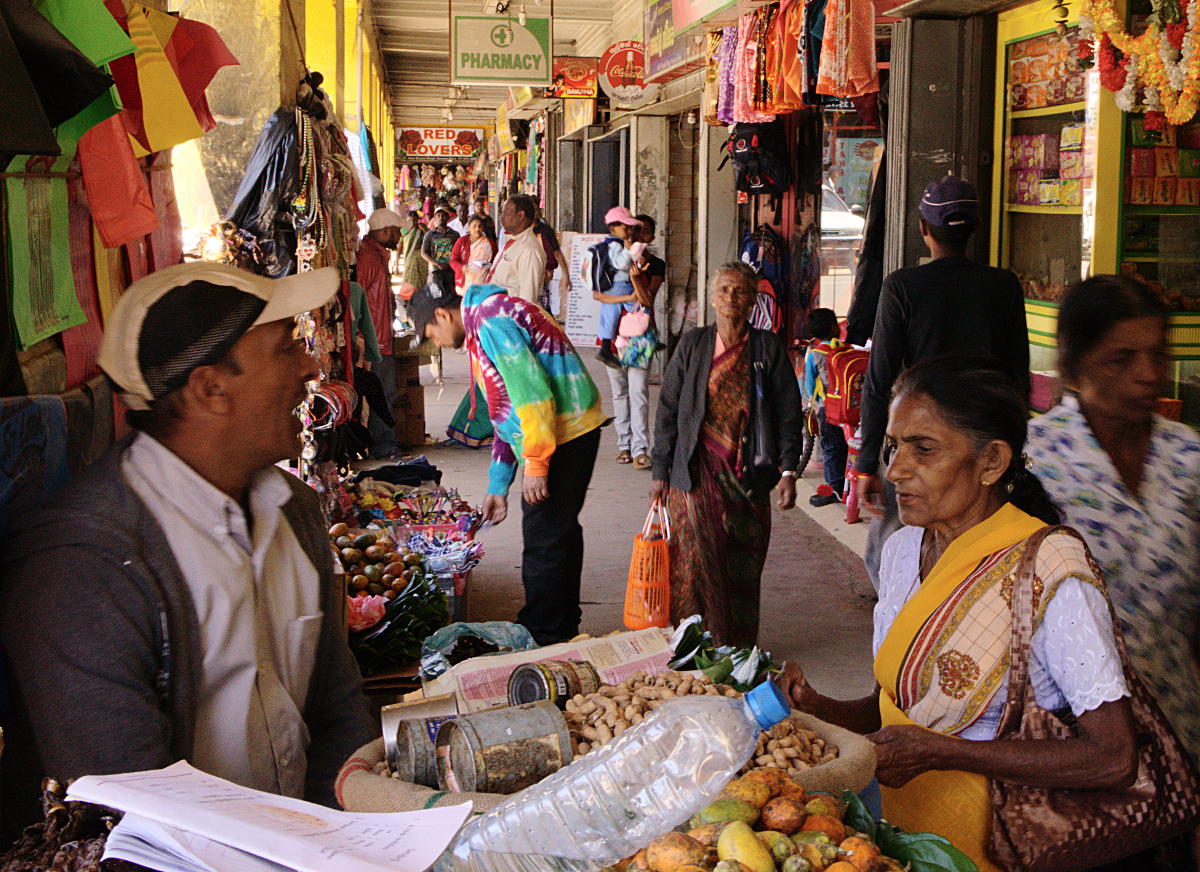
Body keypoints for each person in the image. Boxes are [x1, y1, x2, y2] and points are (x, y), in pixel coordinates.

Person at [1, 262, 373, 807]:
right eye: (285, 348)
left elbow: (337, 707)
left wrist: (341, 835)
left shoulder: (291, 509)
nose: (310, 365)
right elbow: (133, 816)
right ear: (211, 389)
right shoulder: (83, 568)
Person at [776, 355, 1139, 872]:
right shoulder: (904, 551)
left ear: (991, 462)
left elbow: (1113, 757)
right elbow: (897, 710)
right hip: (903, 841)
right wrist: (818, 705)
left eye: (924, 448)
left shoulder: (1050, 569)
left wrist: (944, 753)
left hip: (1002, 848)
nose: (896, 469)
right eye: (894, 446)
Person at [1027, 277, 1200, 763]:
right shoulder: (1033, 461)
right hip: (1072, 744)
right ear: (1074, 365)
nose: (1148, 375)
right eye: (1121, 359)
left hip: (1181, 727)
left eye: (1157, 355)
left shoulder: (1187, 458)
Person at [857, 174, 1029, 590]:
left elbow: (880, 382)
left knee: (897, 552)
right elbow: (1017, 379)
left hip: (922, 446)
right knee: (981, 549)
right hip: (979, 446)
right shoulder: (1003, 286)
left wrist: (867, 463)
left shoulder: (902, 287)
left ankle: (916, 630)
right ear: (974, 229)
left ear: (922, 229)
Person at [409, 285, 606, 646]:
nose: (435, 343)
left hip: (565, 431)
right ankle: (561, 626)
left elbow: (533, 398)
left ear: (442, 315)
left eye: (430, 335)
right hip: (560, 430)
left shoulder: (491, 320)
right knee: (556, 530)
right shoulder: (482, 322)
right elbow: (505, 413)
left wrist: (536, 464)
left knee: (543, 537)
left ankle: (545, 633)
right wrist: (498, 485)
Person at [651, 262, 801, 647]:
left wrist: (788, 472)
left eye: (740, 291)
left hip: (747, 480)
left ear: (753, 299)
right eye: (724, 290)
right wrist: (660, 472)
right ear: (712, 297)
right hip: (694, 473)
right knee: (692, 561)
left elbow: (788, 412)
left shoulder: (766, 348)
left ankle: (734, 644)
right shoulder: (694, 344)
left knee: (742, 563)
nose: (731, 298)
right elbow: (668, 408)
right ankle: (690, 642)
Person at [602, 214, 664, 469]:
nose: (636, 235)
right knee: (619, 393)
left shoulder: (655, 264)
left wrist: (637, 278)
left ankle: (641, 449)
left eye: (643, 231)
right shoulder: (614, 256)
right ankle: (624, 445)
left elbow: (647, 300)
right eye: (632, 230)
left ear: (650, 236)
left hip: (640, 335)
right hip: (613, 334)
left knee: (639, 392)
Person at [358, 208, 404, 459]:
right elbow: (360, 302)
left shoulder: (375, 256)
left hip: (378, 338)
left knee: (384, 393)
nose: (399, 237)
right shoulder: (369, 259)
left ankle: (384, 445)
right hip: (375, 342)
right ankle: (385, 447)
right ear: (385, 231)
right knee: (383, 394)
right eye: (396, 232)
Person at [802, 308, 848, 507]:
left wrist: (815, 402)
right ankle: (847, 486)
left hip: (828, 410)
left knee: (830, 449)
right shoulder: (846, 348)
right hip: (849, 409)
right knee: (848, 447)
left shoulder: (815, 354)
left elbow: (810, 384)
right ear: (832, 327)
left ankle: (834, 489)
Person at [595, 206, 643, 369]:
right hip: (622, 284)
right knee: (639, 306)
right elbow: (621, 263)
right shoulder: (615, 244)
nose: (629, 230)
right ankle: (643, 337)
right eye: (625, 227)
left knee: (609, 315)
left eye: (631, 227)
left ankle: (605, 347)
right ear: (612, 228)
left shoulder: (608, 243)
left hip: (610, 286)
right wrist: (631, 251)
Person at [488, 194, 546, 304]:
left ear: (520, 216)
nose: (501, 218)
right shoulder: (512, 242)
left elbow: (527, 302)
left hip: (508, 316)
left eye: (505, 213)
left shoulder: (529, 251)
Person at [532, 206, 571, 310]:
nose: (534, 213)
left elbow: (556, 253)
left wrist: (566, 275)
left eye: (535, 210)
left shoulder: (545, 231)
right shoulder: (520, 231)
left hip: (542, 278)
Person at [449, 216, 497, 296]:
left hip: (483, 285)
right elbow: (453, 261)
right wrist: (462, 267)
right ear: (469, 228)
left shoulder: (490, 244)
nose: (477, 229)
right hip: (464, 284)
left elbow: (496, 262)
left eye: (480, 226)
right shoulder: (462, 241)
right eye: (474, 226)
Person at [422, 206, 459, 300]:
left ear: (447, 217)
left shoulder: (454, 235)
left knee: (450, 298)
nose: (440, 218)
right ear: (434, 218)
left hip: (450, 271)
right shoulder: (430, 235)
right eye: (438, 215)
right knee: (435, 297)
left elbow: (458, 252)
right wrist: (437, 263)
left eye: (443, 215)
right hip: (435, 272)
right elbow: (424, 253)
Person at [399, 209, 427, 301]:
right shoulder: (403, 231)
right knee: (408, 279)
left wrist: (423, 229)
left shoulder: (421, 229)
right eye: (410, 220)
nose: (412, 223)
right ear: (406, 220)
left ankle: (419, 298)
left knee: (420, 281)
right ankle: (408, 298)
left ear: (418, 220)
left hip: (421, 261)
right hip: (409, 260)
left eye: (414, 220)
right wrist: (395, 264)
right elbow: (400, 245)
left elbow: (430, 239)